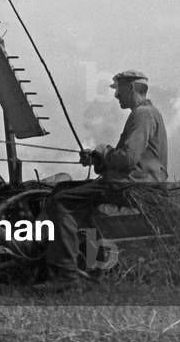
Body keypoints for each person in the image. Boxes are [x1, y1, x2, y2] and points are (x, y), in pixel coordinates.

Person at [35, 70, 168, 292]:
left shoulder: (142, 115)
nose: (116, 96)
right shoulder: (149, 114)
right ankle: (92, 270)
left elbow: (128, 158)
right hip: (137, 179)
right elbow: (130, 158)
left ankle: (67, 274)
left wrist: (102, 151)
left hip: (132, 182)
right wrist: (99, 157)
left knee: (60, 199)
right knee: (75, 200)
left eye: (118, 89)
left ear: (132, 88)